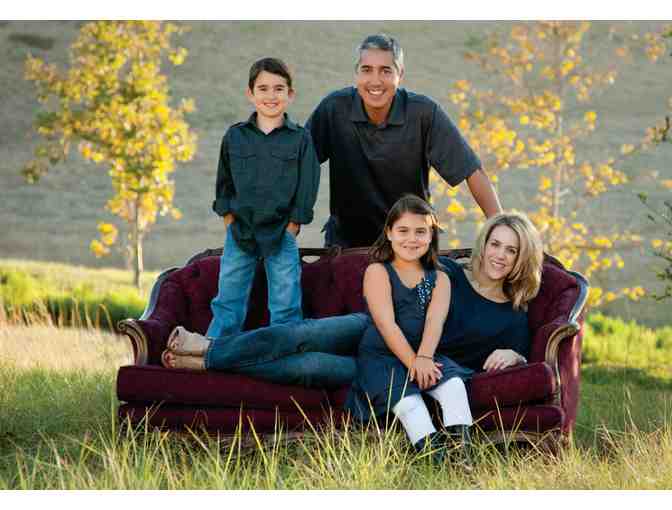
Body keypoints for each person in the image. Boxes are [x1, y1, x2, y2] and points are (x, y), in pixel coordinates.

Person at [345, 203, 544, 466]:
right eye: (495, 244)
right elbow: (401, 288)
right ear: (483, 245)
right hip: (386, 346)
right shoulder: (448, 272)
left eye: (511, 250)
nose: (500, 255)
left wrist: (514, 355)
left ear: (522, 258)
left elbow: (526, 358)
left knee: (447, 391)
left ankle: (458, 465)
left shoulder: (512, 315)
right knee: (312, 344)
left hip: (438, 370)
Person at [306, 33, 502, 248]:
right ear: (356, 73)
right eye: (366, 69)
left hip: (412, 243)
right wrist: (290, 223)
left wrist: (502, 229)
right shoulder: (334, 109)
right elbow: (299, 162)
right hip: (347, 244)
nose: (375, 80)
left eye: (386, 71)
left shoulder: (423, 113)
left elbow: (472, 171)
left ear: (400, 74)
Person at [204, 57, 321, 342]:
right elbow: (224, 182)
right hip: (240, 231)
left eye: (279, 89)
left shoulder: (301, 139)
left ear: (290, 94)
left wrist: (293, 226)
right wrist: (229, 219)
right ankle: (213, 354)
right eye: (263, 88)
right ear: (250, 93)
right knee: (228, 302)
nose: (271, 96)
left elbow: (308, 186)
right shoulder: (235, 137)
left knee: (285, 304)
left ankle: (284, 356)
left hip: (281, 233)